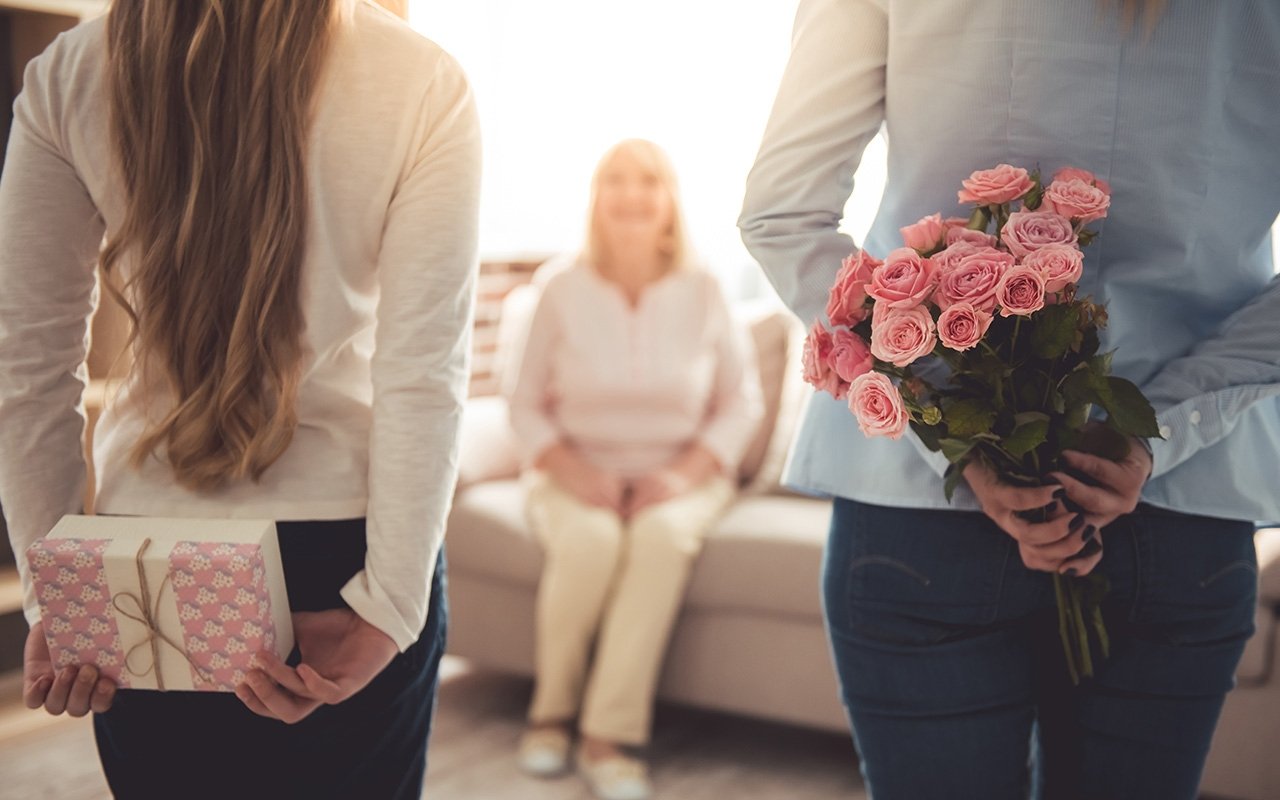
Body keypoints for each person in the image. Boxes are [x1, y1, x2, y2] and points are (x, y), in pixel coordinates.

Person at [739, 1, 1279, 799]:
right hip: (1181, 514)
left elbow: (781, 215)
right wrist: (1154, 433)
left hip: (919, 516)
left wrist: (960, 434)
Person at [0, 1, 480, 797]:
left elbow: (27, 364)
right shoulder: (421, 79)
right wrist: (390, 605)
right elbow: (423, 374)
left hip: (141, 563)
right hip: (348, 553)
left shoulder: (69, 74)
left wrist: (63, 591)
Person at [507, 138, 762, 800]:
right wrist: (567, 467)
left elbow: (742, 401)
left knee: (656, 540)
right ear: (596, 198)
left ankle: (606, 737)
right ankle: (550, 714)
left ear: (670, 200)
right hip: (574, 470)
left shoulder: (705, 286)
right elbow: (523, 402)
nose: (630, 192)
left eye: (648, 179)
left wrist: (680, 476)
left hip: (682, 475)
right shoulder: (558, 288)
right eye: (614, 179)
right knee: (590, 543)